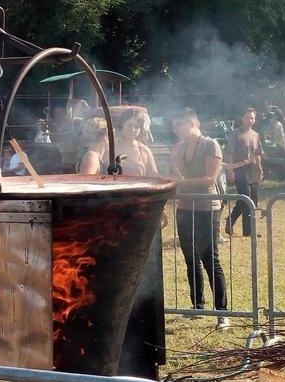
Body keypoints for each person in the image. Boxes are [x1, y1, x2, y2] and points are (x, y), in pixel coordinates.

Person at [169, 108, 229, 331]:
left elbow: (209, 179)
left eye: (179, 125)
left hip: (206, 209)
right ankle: (198, 307)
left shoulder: (210, 144)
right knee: (190, 259)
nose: (175, 130)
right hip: (184, 208)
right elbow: (178, 174)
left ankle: (222, 312)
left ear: (192, 123)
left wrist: (180, 182)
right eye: (174, 126)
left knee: (210, 259)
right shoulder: (182, 148)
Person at [76, 110, 160, 177]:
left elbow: (154, 178)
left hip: (138, 197)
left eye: (137, 126)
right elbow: (86, 184)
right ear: (122, 125)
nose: (133, 129)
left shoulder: (144, 151)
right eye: (129, 125)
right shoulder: (108, 148)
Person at [223, 107, 263, 237]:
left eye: (252, 118)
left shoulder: (255, 134)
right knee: (245, 197)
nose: (250, 120)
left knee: (253, 200)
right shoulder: (236, 134)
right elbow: (230, 152)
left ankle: (242, 227)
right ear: (242, 118)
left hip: (253, 170)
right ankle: (246, 229)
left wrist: (260, 168)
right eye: (247, 118)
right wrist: (230, 170)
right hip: (240, 169)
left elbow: (257, 153)